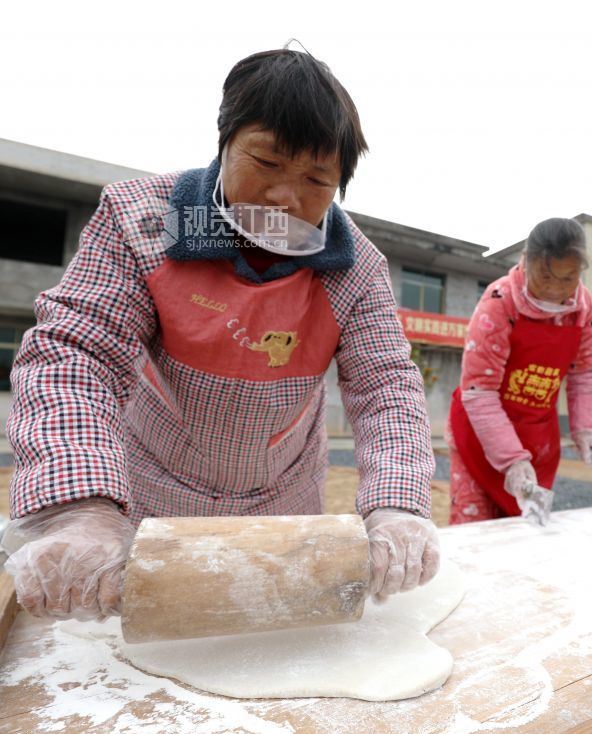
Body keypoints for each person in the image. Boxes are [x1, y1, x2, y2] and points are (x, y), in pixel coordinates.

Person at [1, 47, 439, 621]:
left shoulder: (355, 267)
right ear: (225, 141)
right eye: (266, 162)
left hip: (282, 497)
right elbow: (76, 353)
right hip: (152, 486)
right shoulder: (143, 221)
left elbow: (387, 389)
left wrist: (397, 506)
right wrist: (80, 509)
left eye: (315, 179)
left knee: (271, 634)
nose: (286, 198)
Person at [447, 218, 592, 525]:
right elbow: (479, 392)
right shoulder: (500, 301)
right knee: (476, 531)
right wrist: (511, 460)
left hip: (537, 438)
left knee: (527, 536)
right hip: (480, 434)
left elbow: (583, 375)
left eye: (568, 278)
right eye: (545, 277)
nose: (555, 290)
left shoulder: (583, 308)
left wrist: (585, 427)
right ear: (526, 262)